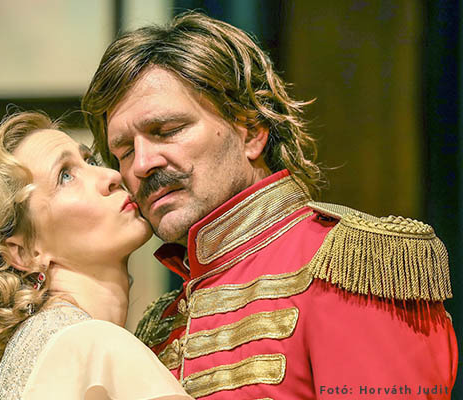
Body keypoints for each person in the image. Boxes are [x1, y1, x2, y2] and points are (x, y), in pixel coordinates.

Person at [82, 12, 458, 399]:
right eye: (124, 152)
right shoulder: (159, 324)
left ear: (251, 131)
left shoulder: (350, 266)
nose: (142, 164)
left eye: (167, 131)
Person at [0, 111, 193, 399]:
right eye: (65, 176)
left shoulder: (45, 349)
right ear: (24, 253)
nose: (112, 176)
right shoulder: (92, 348)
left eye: (90, 161)